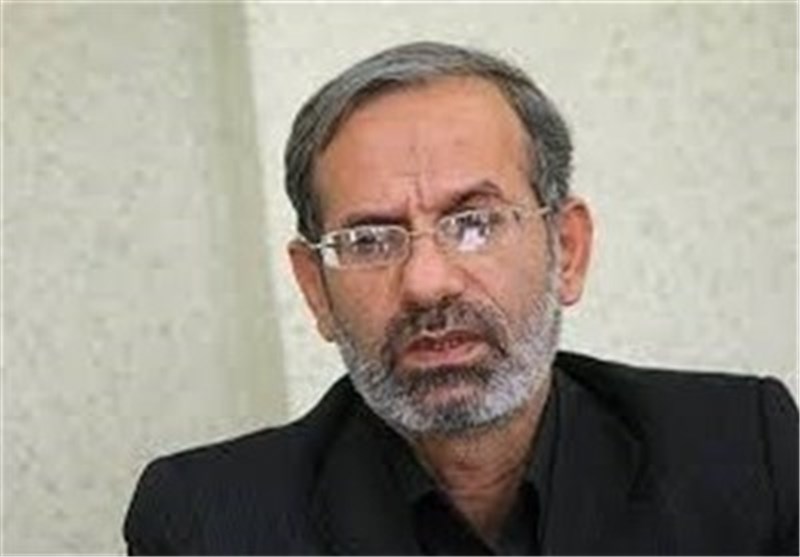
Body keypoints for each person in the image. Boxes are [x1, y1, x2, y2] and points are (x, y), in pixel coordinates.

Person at [124, 41, 798, 555]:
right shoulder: (205, 524)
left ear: (566, 249)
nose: (427, 282)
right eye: (369, 239)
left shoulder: (744, 452)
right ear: (315, 288)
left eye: (474, 223)